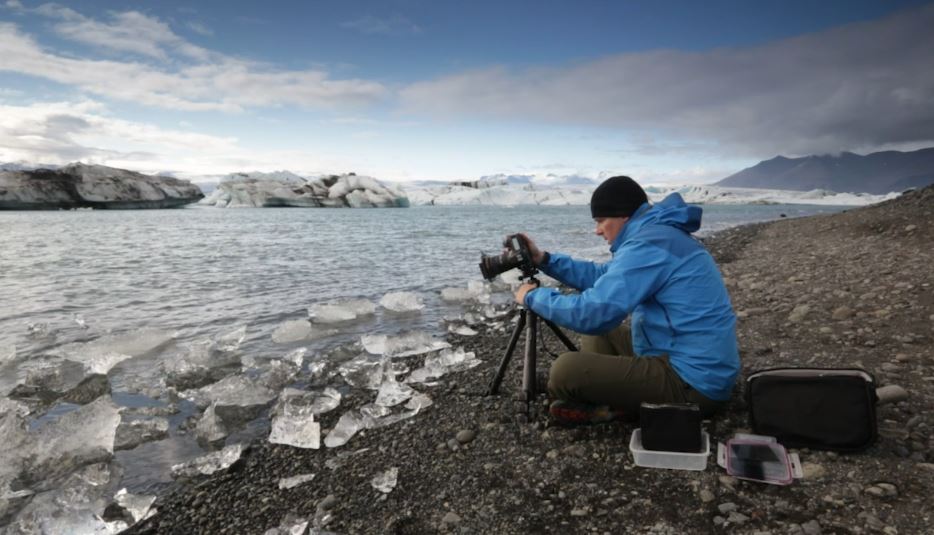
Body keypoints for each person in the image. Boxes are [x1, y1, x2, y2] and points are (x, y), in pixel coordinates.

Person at [513, 176, 739, 425]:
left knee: (564, 370)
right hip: (682, 357)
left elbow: (593, 314)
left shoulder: (650, 243)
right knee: (599, 335)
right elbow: (604, 277)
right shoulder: (658, 235)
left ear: (624, 216)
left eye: (601, 221)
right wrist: (545, 260)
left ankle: (619, 404)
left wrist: (532, 296)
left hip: (693, 382)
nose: (597, 230)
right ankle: (616, 399)